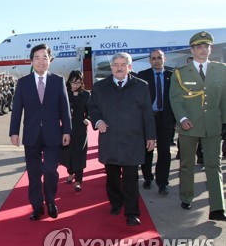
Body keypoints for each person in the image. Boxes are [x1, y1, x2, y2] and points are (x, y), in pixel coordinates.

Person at [88, 52, 156, 226]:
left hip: (132, 139)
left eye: (123, 64)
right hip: (109, 139)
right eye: (116, 64)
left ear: (130, 67)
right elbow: (93, 108)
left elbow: (147, 114)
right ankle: (116, 203)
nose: (119, 67)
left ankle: (132, 212)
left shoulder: (141, 86)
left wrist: (150, 136)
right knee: (112, 177)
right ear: (111, 67)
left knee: (131, 178)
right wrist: (98, 121)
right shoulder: (100, 87)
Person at [9, 43, 71, 221]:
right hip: (31, 134)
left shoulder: (58, 81)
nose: (41, 61)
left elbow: (65, 109)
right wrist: (14, 132)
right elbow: (17, 110)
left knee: (51, 170)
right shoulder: (23, 83)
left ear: (50, 60)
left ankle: (51, 201)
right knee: (34, 173)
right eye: (37, 58)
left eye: (45, 58)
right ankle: (37, 206)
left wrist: (67, 130)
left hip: (53, 134)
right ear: (31, 61)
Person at [169, 31, 226, 221]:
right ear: (192, 50)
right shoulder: (180, 73)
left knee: (214, 165)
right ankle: (186, 197)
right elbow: (176, 100)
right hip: (189, 126)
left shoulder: (221, 70)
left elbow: (224, 99)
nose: (203, 50)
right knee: (187, 164)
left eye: (206, 46)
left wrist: (225, 122)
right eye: (199, 47)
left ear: (210, 49)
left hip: (213, 126)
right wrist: (183, 118)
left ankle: (218, 207)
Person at [137, 49, 174, 195]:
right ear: (149, 60)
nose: (156, 61)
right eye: (153, 58)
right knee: (147, 150)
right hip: (148, 119)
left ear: (164, 59)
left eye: (159, 58)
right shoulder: (143, 76)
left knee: (165, 151)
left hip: (166, 118)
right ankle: (147, 177)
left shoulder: (172, 76)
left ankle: (162, 182)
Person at [60, 70, 90, 192]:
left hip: (81, 128)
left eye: (78, 82)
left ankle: (78, 181)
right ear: (69, 82)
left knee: (79, 154)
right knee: (67, 153)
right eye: (73, 82)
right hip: (67, 128)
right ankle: (71, 172)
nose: (75, 85)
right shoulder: (65, 94)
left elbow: (90, 111)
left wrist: (87, 118)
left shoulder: (86, 95)